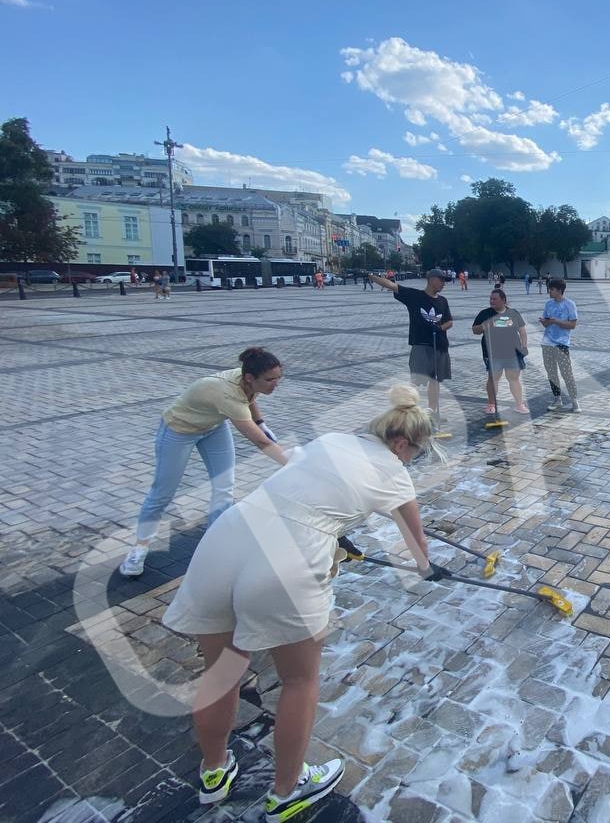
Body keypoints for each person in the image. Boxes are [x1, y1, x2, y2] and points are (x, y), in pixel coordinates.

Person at [162, 385, 449, 821]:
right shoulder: (395, 471)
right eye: (415, 454)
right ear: (401, 442)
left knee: (221, 671)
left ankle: (214, 772)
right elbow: (415, 544)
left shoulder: (331, 440)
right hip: (286, 561)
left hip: (229, 538)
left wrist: (337, 530)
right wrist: (428, 569)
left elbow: (306, 491)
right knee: (299, 681)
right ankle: (288, 789)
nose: (411, 461)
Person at [120, 348, 289, 577]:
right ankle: (138, 549)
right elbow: (260, 443)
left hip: (213, 427)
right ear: (250, 377)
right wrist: (291, 463)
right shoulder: (225, 392)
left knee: (224, 486)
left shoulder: (247, 379)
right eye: (270, 380)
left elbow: (248, 398)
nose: (275, 384)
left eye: (278, 378)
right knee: (163, 493)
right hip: (179, 430)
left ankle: (215, 545)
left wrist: (260, 421)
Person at [371, 268, 453, 425]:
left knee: (435, 382)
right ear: (431, 279)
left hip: (440, 346)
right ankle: (407, 415)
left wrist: (441, 328)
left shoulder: (443, 301)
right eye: (441, 280)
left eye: (445, 281)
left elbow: (449, 321)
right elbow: (392, 285)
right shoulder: (415, 296)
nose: (443, 284)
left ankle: (432, 413)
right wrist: (370, 276)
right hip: (421, 346)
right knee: (416, 382)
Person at [472, 288, 529, 415]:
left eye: (495, 299)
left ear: (503, 300)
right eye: (491, 299)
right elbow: (475, 330)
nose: (491, 301)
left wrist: (524, 346)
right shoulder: (485, 313)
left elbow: (522, 331)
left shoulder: (513, 313)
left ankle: (519, 404)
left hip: (512, 352)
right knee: (493, 378)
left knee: (514, 378)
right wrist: (484, 326)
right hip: (492, 352)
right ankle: (491, 404)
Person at [539, 278, 580, 412]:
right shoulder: (548, 304)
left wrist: (556, 321)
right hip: (547, 343)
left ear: (558, 290)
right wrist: (544, 322)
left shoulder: (570, 304)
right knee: (551, 373)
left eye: (551, 289)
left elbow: (572, 325)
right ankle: (557, 399)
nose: (549, 291)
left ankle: (574, 401)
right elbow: (546, 323)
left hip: (561, 343)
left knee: (567, 373)